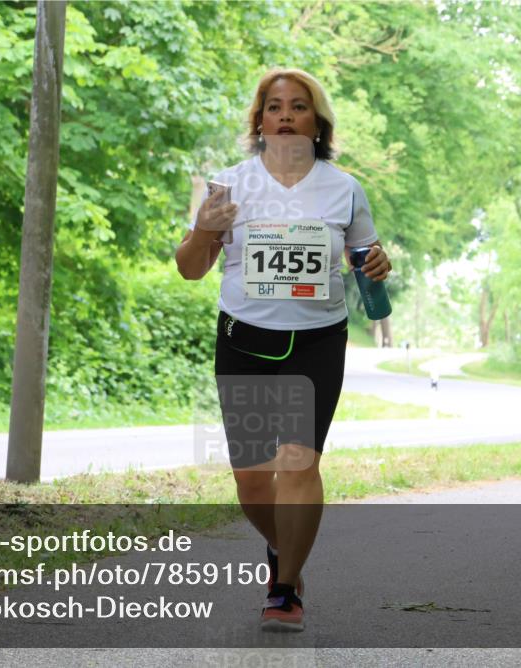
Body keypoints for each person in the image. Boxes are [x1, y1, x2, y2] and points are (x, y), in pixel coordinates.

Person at [174, 67, 392, 631]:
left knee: (299, 462)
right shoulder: (228, 185)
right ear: (260, 121)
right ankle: (282, 546)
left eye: (299, 106)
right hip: (244, 337)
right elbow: (191, 269)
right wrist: (205, 229)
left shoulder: (344, 188)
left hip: (317, 340)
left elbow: (367, 259)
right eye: (275, 106)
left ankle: (286, 587)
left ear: (317, 123)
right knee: (251, 480)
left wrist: (377, 262)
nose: (286, 115)